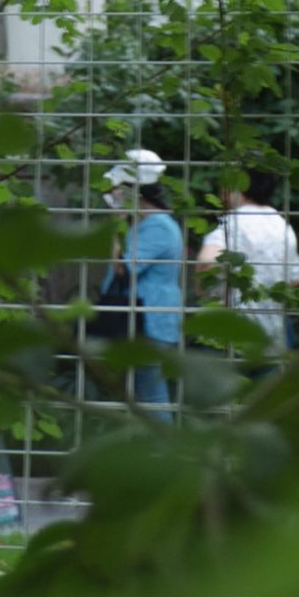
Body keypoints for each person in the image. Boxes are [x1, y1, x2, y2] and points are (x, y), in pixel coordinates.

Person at [106, 148, 183, 414]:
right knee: (144, 395)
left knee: (151, 396)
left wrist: (116, 223)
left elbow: (123, 270)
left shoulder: (158, 226)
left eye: (117, 188)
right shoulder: (147, 223)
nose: (113, 194)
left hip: (149, 323)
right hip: (142, 321)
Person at [195, 168, 299, 352]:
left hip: (230, 335)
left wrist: (205, 291)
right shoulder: (281, 225)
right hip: (272, 336)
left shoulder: (232, 224)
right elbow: (296, 278)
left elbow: (207, 260)